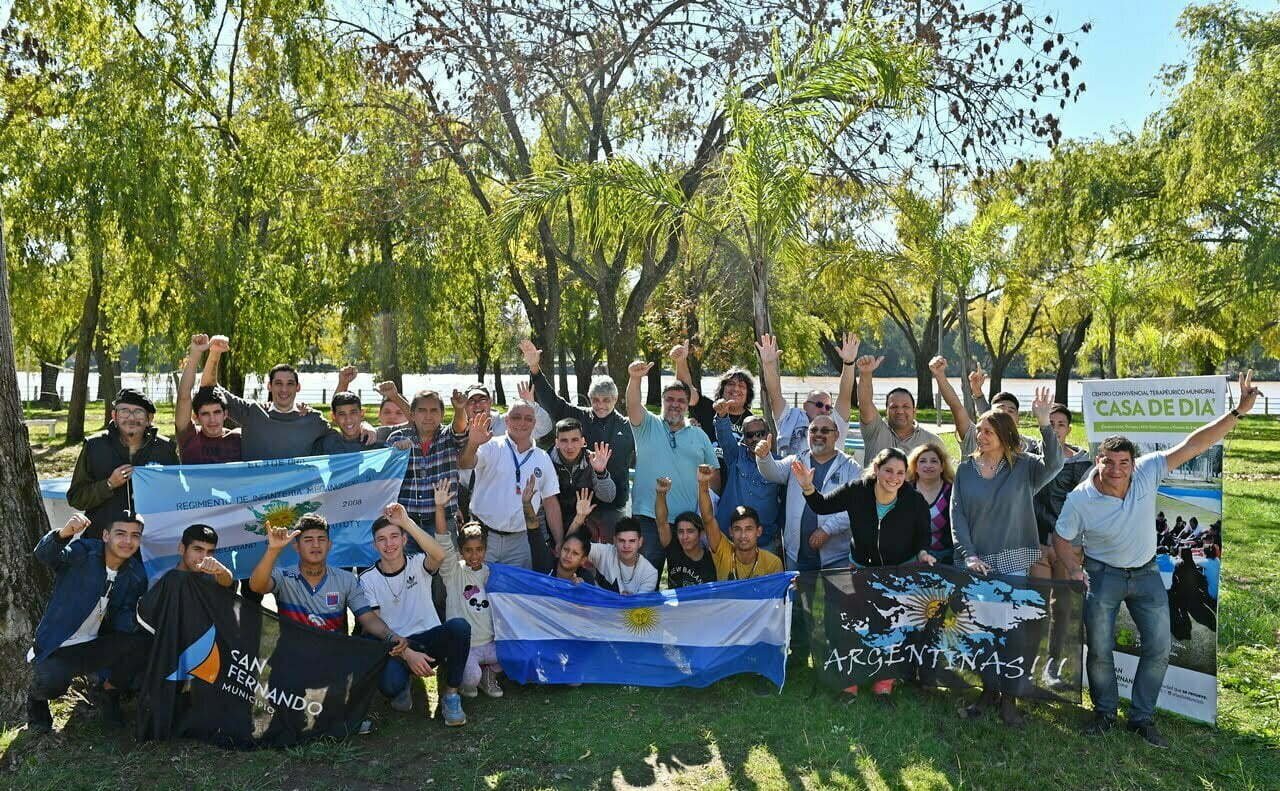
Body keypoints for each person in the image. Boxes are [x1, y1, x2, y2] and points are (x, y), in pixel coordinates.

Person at [1054, 371, 1260, 748]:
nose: (1117, 470)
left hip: (1146, 572)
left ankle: (1142, 718)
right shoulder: (1080, 499)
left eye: (1124, 462)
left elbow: (1194, 444)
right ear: (1098, 460)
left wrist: (1238, 412)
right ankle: (1104, 713)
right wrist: (1072, 567)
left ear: (1134, 462)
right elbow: (1061, 538)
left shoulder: (1149, 471)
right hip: (1102, 574)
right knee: (1099, 648)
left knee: (1160, 646)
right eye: (1109, 462)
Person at [951, 387, 1061, 726]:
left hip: (1013, 560)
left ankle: (1010, 699)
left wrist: (1045, 424)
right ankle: (988, 691)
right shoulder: (966, 470)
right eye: (980, 430)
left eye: (987, 431)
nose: (980, 436)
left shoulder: (1025, 468)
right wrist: (968, 555)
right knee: (982, 630)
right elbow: (958, 516)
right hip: (976, 562)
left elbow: (1056, 464)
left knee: (1011, 632)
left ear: (1003, 435)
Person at [795, 447, 935, 698]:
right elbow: (822, 505)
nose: (894, 477)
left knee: (890, 627)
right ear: (877, 469)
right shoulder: (857, 490)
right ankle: (850, 682)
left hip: (897, 574)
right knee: (852, 626)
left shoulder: (914, 501)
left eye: (901, 473)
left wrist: (924, 553)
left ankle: (884, 683)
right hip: (860, 571)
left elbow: (923, 536)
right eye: (889, 470)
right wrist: (807, 486)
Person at [27, 513, 152, 733]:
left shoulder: (135, 573)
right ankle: (36, 700)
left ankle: (107, 692)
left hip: (94, 645)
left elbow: (123, 620)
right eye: (120, 534)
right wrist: (64, 533)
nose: (127, 541)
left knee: (141, 644)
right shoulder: (83, 552)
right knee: (50, 682)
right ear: (105, 535)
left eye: (135, 535)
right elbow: (44, 555)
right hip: (60, 644)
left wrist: (141, 616)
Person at [358, 502, 470, 725]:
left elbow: (439, 555)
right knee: (391, 688)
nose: (389, 544)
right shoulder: (367, 578)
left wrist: (406, 522)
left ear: (404, 540)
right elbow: (376, 626)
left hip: (428, 639)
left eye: (394, 536)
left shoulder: (418, 563)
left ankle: (450, 695)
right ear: (374, 545)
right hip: (396, 646)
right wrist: (407, 653)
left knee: (460, 627)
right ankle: (403, 686)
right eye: (382, 539)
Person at [519, 339, 634, 536]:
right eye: (596, 400)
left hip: (612, 507)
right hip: (577, 505)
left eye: (607, 400)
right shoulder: (580, 416)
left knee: (610, 561)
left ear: (615, 399)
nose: (601, 405)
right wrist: (534, 368)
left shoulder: (627, 426)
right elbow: (553, 402)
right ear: (590, 399)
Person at [200, 336, 375, 460]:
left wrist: (364, 425)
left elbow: (344, 423)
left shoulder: (312, 419)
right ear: (269, 386)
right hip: (254, 500)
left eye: (290, 383)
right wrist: (215, 353)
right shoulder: (251, 412)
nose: (284, 389)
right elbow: (209, 387)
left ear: (298, 387)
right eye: (278, 383)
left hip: (298, 504)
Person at [626, 360, 719, 576]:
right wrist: (635, 378)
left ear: (687, 405)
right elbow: (632, 404)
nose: (675, 404)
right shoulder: (647, 425)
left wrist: (710, 513)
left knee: (688, 581)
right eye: (670, 399)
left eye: (681, 400)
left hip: (687, 523)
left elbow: (714, 473)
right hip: (649, 518)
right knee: (646, 580)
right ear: (662, 401)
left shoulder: (699, 434)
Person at [458, 406, 563, 569]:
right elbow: (465, 463)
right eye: (516, 417)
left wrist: (559, 540)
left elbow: (550, 502)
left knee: (514, 593)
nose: (522, 422)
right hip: (483, 539)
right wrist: (472, 443)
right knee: (477, 590)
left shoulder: (542, 458)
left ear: (534, 423)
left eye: (528, 418)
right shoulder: (491, 445)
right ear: (506, 420)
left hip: (520, 542)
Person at [67, 388, 180, 539]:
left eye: (138, 412)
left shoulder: (165, 448)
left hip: (151, 541)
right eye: (124, 411)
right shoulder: (95, 446)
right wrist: (108, 484)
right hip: (102, 542)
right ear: (114, 415)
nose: (131, 418)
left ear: (149, 418)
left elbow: (178, 495)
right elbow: (76, 497)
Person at [754, 415, 859, 573]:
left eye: (825, 430)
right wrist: (763, 458)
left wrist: (827, 529)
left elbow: (855, 508)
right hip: (797, 555)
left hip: (836, 557)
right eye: (813, 430)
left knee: (835, 598)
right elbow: (772, 472)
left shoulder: (851, 467)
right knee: (798, 598)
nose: (818, 434)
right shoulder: (796, 460)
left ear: (836, 435)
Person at [433, 481, 505, 699]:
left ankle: (489, 674)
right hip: (469, 646)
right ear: (461, 551)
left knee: (512, 653)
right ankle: (472, 675)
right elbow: (443, 541)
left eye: (479, 550)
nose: (474, 556)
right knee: (470, 683)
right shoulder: (453, 572)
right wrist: (439, 508)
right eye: (468, 551)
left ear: (485, 549)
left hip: (490, 642)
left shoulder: (491, 573)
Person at [385, 389, 470, 548]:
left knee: (444, 570)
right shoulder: (397, 437)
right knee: (408, 570)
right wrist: (395, 454)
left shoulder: (448, 436)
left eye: (434, 410)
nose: (428, 416)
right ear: (412, 414)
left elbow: (459, 428)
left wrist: (459, 409)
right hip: (405, 523)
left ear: (442, 414)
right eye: (422, 410)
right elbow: (385, 476)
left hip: (442, 521)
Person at [757, 333, 859, 456]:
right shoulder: (789, 418)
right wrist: (768, 365)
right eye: (819, 404)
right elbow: (775, 394)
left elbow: (845, 394)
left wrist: (848, 363)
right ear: (805, 405)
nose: (824, 410)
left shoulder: (836, 423)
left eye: (828, 407)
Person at [1030, 404, 1091, 579]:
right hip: (1037, 542)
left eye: (1061, 424)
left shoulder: (1083, 464)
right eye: (1050, 424)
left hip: (1068, 544)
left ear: (1069, 429)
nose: (1055, 429)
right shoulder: (1030, 456)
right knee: (1036, 601)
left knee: (1064, 603)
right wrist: (979, 396)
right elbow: (1002, 426)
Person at [697, 464, 784, 581]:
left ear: (759, 531)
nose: (743, 535)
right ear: (730, 532)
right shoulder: (723, 552)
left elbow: (776, 598)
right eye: (737, 529)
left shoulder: (773, 563)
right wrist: (703, 485)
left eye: (748, 529)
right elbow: (708, 519)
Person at [713, 411, 783, 552]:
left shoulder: (780, 464)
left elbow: (786, 503)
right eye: (750, 435)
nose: (755, 438)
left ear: (769, 435)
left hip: (764, 541)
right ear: (744, 439)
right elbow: (724, 436)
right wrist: (721, 416)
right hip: (729, 539)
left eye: (760, 433)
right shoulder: (735, 456)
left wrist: (779, 533)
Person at [855, 354, 943, 461]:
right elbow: (865, 403)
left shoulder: (932, 442)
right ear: (886, 411)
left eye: (906, 407)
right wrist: (865, 374)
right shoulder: (875, 431)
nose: (900, 411)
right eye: (894, 407)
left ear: (914, 411)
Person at [174, 334, 242, 464]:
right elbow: (184, 397)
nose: (212, 420)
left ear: (225, 414)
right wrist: (195, 354)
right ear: (196, 417)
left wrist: (215, 352)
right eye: (205, 414)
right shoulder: (189, 437)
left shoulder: (239, 438)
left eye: (217, 412)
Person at [547, 418, 617, 541]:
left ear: (583, 441)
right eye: (564, 440)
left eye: (575, 440)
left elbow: (608, 497)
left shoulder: (593, 460)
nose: (569, 446)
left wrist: (600, 472)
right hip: (552, 529)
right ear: (556, 442)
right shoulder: (545, 461)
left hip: (586, 530)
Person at [670, 341, 755, 440]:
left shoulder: (752, 422)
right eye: (731, 384)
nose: (736, 389)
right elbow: (685, 391)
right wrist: (681, 361)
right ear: (722, 389)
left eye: (741, 386)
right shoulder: (707, 408)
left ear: (748, 393)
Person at [654, 477, 718, 588]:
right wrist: (661, 493)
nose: (685, 537)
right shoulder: (674, 548)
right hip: (677, 605)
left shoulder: (712, 560)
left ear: (701, 533)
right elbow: (662, 522)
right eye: (680, 532)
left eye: (690, 531)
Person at [907, 443, 955, 566]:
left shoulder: (952, 492)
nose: (928, 465)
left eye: (934, 461)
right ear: (915, 467)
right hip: (912, 557)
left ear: (942, 467)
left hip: (945, 558)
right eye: (922, 461)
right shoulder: (906, 491)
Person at [586, 516, 659, 594]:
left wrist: (629, 601)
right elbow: (574, 547)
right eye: (621, 540)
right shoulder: (604, 552)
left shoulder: (649, 573)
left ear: (640, 542)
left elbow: (639, 604)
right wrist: (579, 518)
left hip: (630, 606)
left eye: (632, 541)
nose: (626, 546)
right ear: (614, 540)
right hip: (597, 604)